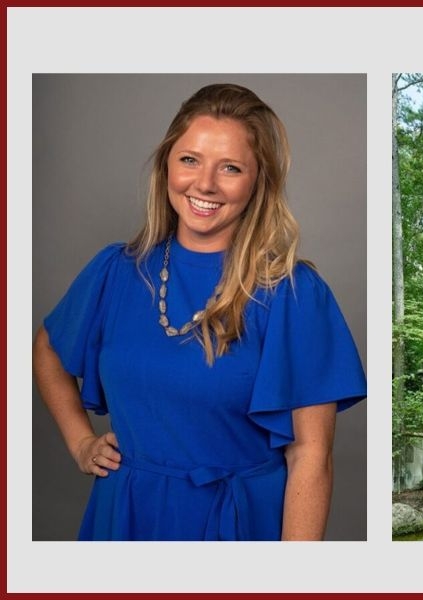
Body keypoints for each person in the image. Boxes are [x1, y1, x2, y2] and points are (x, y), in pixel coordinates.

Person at [32, 83, 367, 541]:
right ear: (167, 163)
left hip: (237, 524)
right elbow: (48, 348)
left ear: (258, 182)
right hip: (125, 515)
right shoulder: (116, 270)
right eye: (190, 159)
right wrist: (80, 441)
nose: (204, 184)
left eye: (230, 167)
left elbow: (311, 456)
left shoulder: (293, 293)